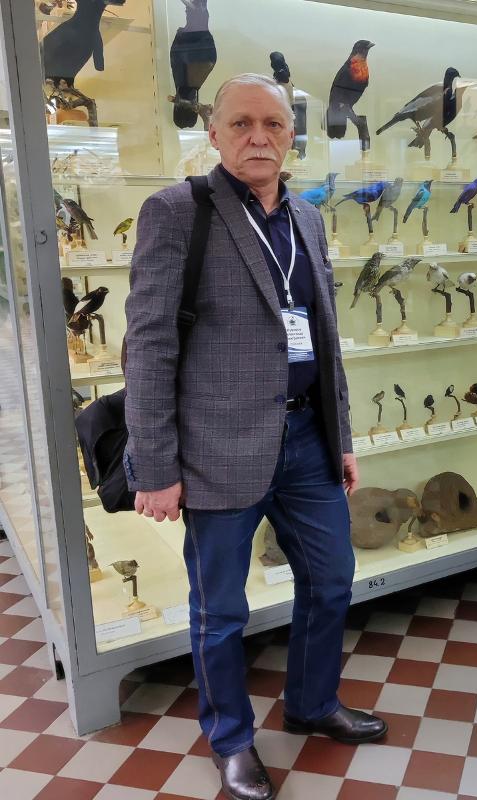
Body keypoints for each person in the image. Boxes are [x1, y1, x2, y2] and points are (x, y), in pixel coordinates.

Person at [124, 73, 387, 800]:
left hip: (306, 442)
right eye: (241, 123)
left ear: (291, 136)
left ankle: (311, 703)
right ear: (213, 133)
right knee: (220, 611)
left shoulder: (306, 217)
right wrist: (155, 467)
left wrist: (340, 437)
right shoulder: (177, 212)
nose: (258, 137)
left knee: (331, 581)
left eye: (273, 124)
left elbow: (323, 340)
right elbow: (148, 347)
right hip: (216, 450)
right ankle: (232, 741)